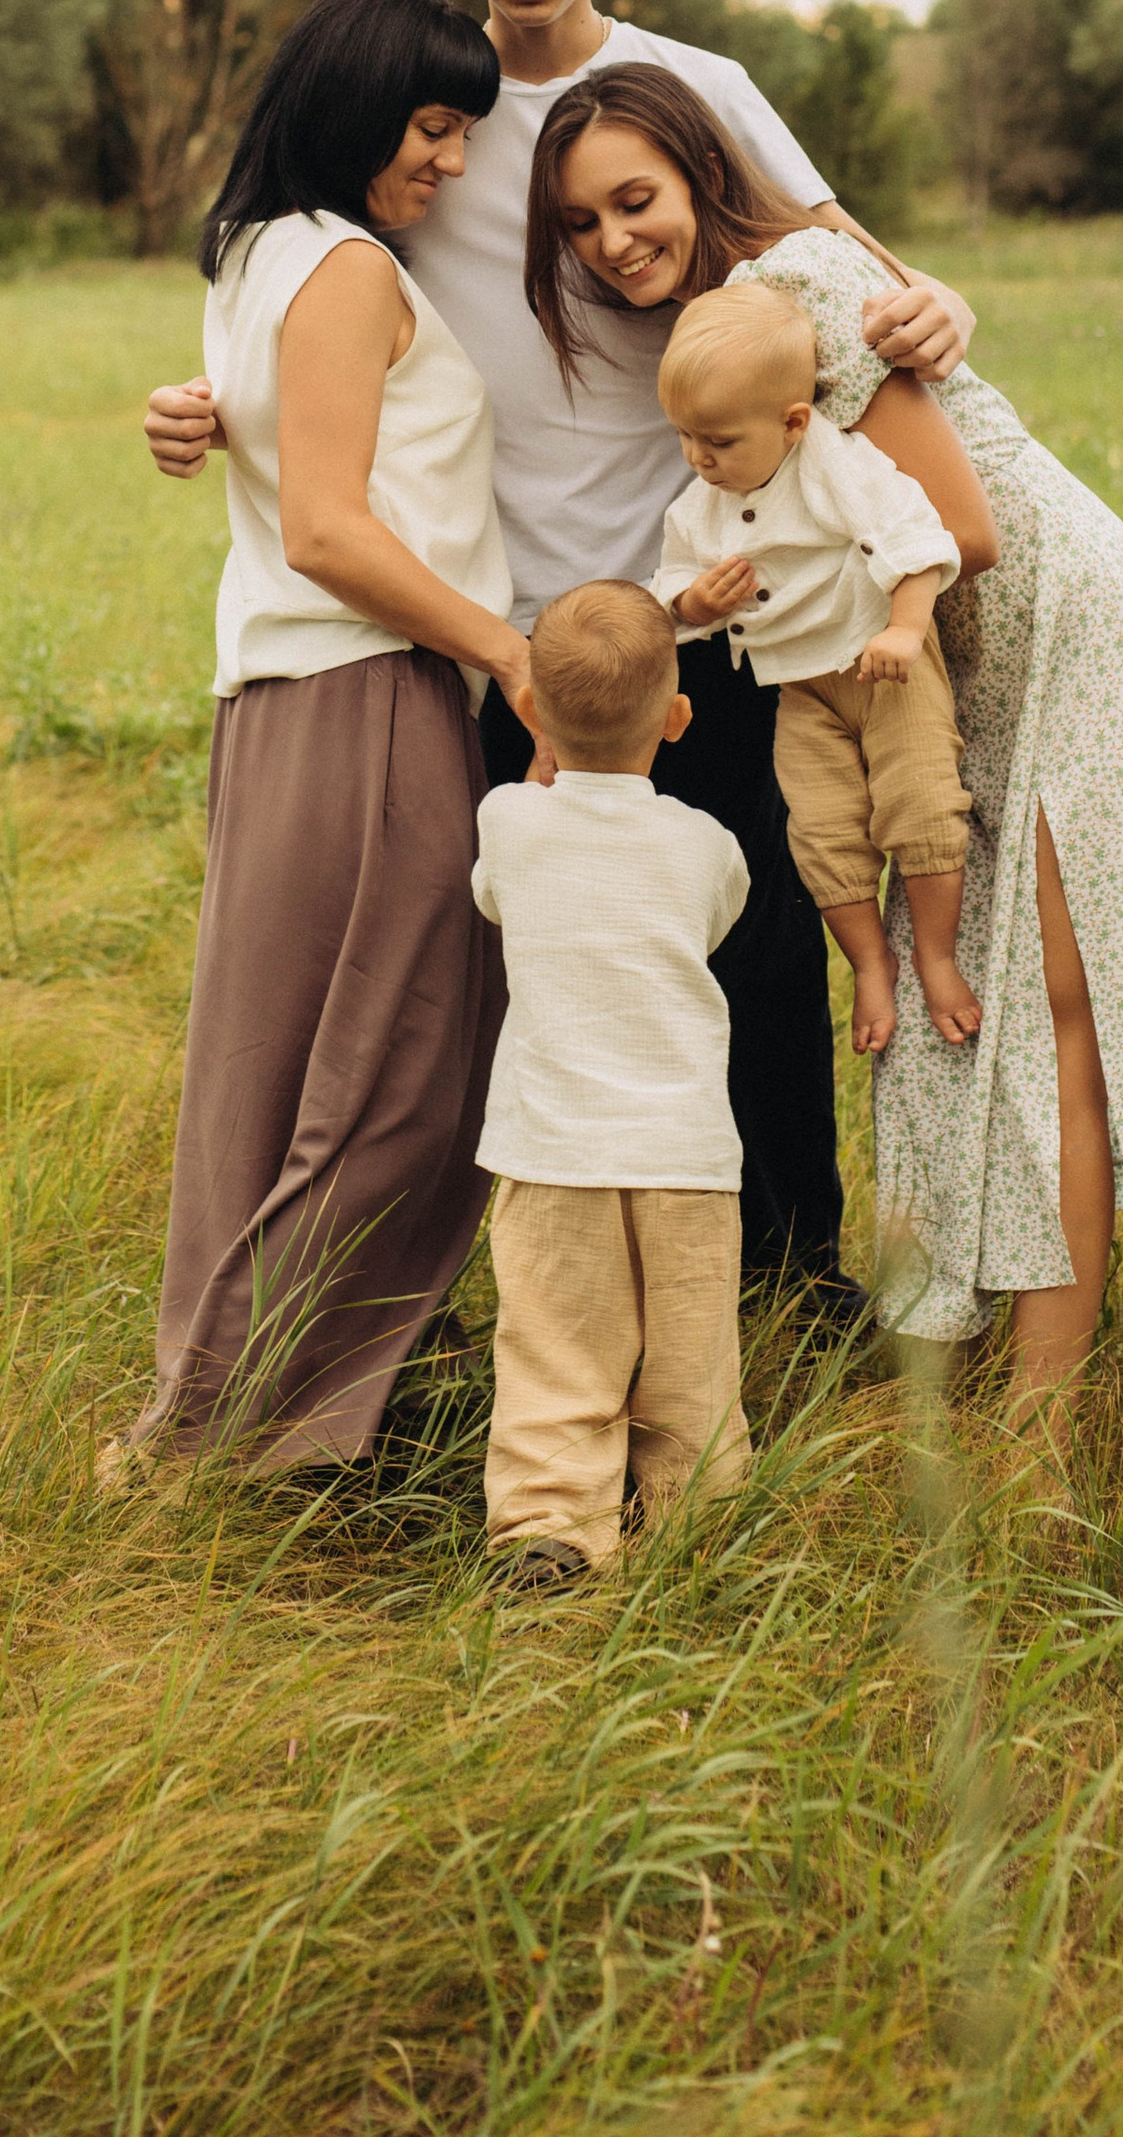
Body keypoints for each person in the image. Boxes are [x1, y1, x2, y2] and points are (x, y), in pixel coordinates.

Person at [145, 0, 979, 1310]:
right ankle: (551, 1291)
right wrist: (210, 402)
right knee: (526, 971)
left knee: (753, 955)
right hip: (503, 635)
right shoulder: (429, 111)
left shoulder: (696, 87)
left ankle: (785, 1281)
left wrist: (939, 300)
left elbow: (843, 262)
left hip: (706, 603)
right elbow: (335, 312)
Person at [531, 62, 1123, 1402]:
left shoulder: (801, 289)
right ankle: (1019, 1361)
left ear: (697, 174)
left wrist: (773, 617)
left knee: (1059, 1016)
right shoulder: (730, 325)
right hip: (960, 679)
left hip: (1071, 639)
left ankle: (1040, 1413)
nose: (614, 241)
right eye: (579, 224)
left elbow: (961, 528)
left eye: (633, 199)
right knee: (1001, 1019)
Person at [113, 0, 531, 1476]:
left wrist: (201, 411)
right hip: (370, 690)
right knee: (408, 1078)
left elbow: (285, 455)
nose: (452, 163)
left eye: (464, 134)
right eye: (431, 127)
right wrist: (514, 656)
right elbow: (331, 531)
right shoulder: (345, 266)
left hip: (284, 701)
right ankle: (251, 1424)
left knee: (274, 1075)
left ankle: (222, 1416)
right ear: (355, 104)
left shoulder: (253, 252)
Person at [474, 580, 753, 1583]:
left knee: (556, 1352)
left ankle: (551, 1529)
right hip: (685, 1155)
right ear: (677, 720)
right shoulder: (705, 845)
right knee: (690, 1364)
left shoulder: (508, 821)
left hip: (554, 1154)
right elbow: (716, 917)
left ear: (532, 714)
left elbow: (490, 896)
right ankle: (698, 1524)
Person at [650, 284, 981, 1058]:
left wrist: (905, 630)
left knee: (922, 801)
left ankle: (936, 956)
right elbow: (669, 588)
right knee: (822, 831)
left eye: (720, 441)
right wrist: (694, 603)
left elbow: (915, 535)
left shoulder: (836, 465)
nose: (700, 458)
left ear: (793, 422)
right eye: (684, 438)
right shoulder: (702, 505)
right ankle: (871, 960)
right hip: (800, 688)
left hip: (882, 666)